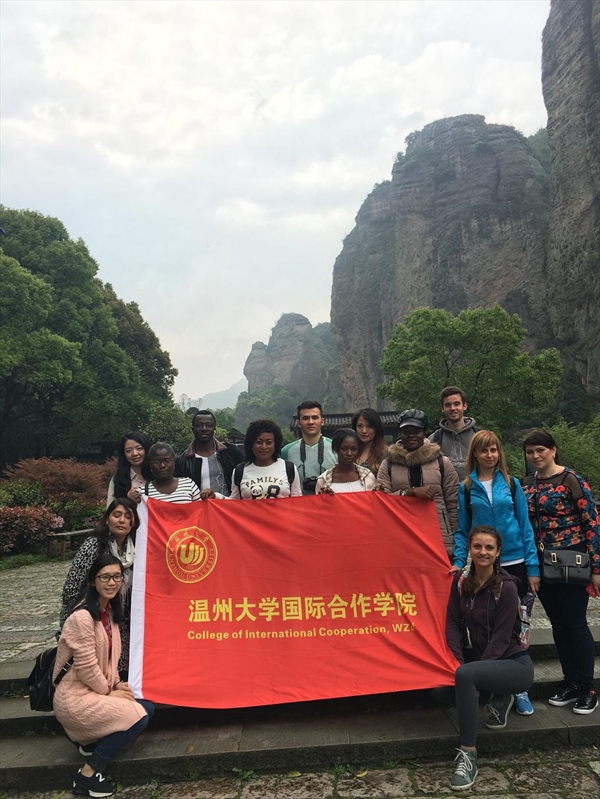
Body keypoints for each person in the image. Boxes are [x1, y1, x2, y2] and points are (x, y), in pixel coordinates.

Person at [451, 430, 540, 716]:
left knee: (517, 625)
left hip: (514, 560)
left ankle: (518, 686)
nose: (489, 455)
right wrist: (458, 561)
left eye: (494, 450)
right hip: (483, 563)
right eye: (484, 450)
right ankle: (492, 679)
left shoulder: (512, 485)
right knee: (487, 621)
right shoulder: (466, 488)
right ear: (475, 454)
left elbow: (525, 526)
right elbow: (463, 530)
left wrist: (533, 568)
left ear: (499, 452)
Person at [54, 554, 154, 797]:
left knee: (146, 706)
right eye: (105, 577)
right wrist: (110, 692)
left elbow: (110, 660)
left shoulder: (108, 612)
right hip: (75, 698)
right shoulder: (82, 617)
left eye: (117, 577)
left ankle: (90, 743)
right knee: (139, 716)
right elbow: (87, 668)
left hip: (95, 690)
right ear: (92, 580)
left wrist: (118, 683)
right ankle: (88, 773)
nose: (112, 582)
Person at [445, 526, 534, 790]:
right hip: (482, 660)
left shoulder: (507, 587)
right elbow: (452, 622)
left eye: (489, 548)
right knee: (441, 688)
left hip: (514, 664)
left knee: (465, 677)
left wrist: (469, 671)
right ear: (470, 549)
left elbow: (501, 638)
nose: (482, 552)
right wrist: (457, 660)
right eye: (477, 546)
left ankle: (468, 754)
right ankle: (499, 696)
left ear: (497, 553)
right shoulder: (461, 582)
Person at [521, 429, 600, 715]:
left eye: (540, 450)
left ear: (553, 450)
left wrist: (597, 567)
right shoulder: (526, 483)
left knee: (575, 623)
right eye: (530, 452)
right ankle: (570, 681)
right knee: (558, 624)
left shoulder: (571, 480)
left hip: (571, 561)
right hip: (541, 564)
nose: (535, 456)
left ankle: (588, 688)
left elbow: (592, 522)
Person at [59, 498, 139, 675]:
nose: (122, 520)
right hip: (93, 615)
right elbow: (71, 588)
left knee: (119, 670)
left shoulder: (136, 549)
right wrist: (74, 622)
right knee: (95, 667)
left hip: (119, 617)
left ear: (133, 523)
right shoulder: (93, 546)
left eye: (128, 516)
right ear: (107, 519)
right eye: (116, 515)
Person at [376, 409, 458, 557]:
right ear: (400, 433)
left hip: (438, 535)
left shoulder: (442, 463)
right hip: (401, 535)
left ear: (424, 433)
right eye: (406, 431)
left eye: (416, 431)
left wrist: (455, 540)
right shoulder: (388, 464)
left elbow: (454, 504)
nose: (411, 435)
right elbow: (382, 502)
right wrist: (409, 493)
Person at [201, 419, 302, 500]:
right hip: (250, 521)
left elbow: (297, 503)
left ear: (276, 444)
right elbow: (234, 503)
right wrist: (216, 496)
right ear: (251, 444)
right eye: (258, 442)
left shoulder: (289, 468)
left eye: (269, 442)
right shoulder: (240, 471)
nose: (264, 447)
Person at [175, 410, 243, 496]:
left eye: (209, 425)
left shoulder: (231, 453)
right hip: (197, 504)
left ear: (214, 428)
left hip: (226, 503)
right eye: (199, 425)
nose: (204, 429)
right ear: (192, 429)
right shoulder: (182, 460)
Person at [281, 401, 337, 494]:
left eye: (315, 417)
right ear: (299, 423)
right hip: (298, 501)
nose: (310, 422)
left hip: (329, 501)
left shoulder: (336, 448)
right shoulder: (286, 451)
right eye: (305, 418)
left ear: (322, 421)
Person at [429, 386, 479, 480]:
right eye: (448, 405)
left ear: (464, 406)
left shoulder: (479, 435)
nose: (452, 408)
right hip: (446, 489)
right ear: (442, 408)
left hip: (475, 488)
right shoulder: (434, 439)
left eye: (457, 404)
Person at [316, 429, 377, 494]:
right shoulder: (323, 480)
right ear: (336, 449)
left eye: (353, 449)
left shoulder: (367, 477)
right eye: (344, 449)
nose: (349, 453)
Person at [106, 432, 151, 508]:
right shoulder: (118, 480)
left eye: (139, 448)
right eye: (128, 450)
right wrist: (127, 500)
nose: (134, 453)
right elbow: (111, 511)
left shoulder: (157, 476)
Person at [350, 408, 388, 475]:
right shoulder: (349, 451)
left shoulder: (385, 454)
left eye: (369, 426)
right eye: (360, 426)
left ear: (376, 428)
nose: (364, 431)